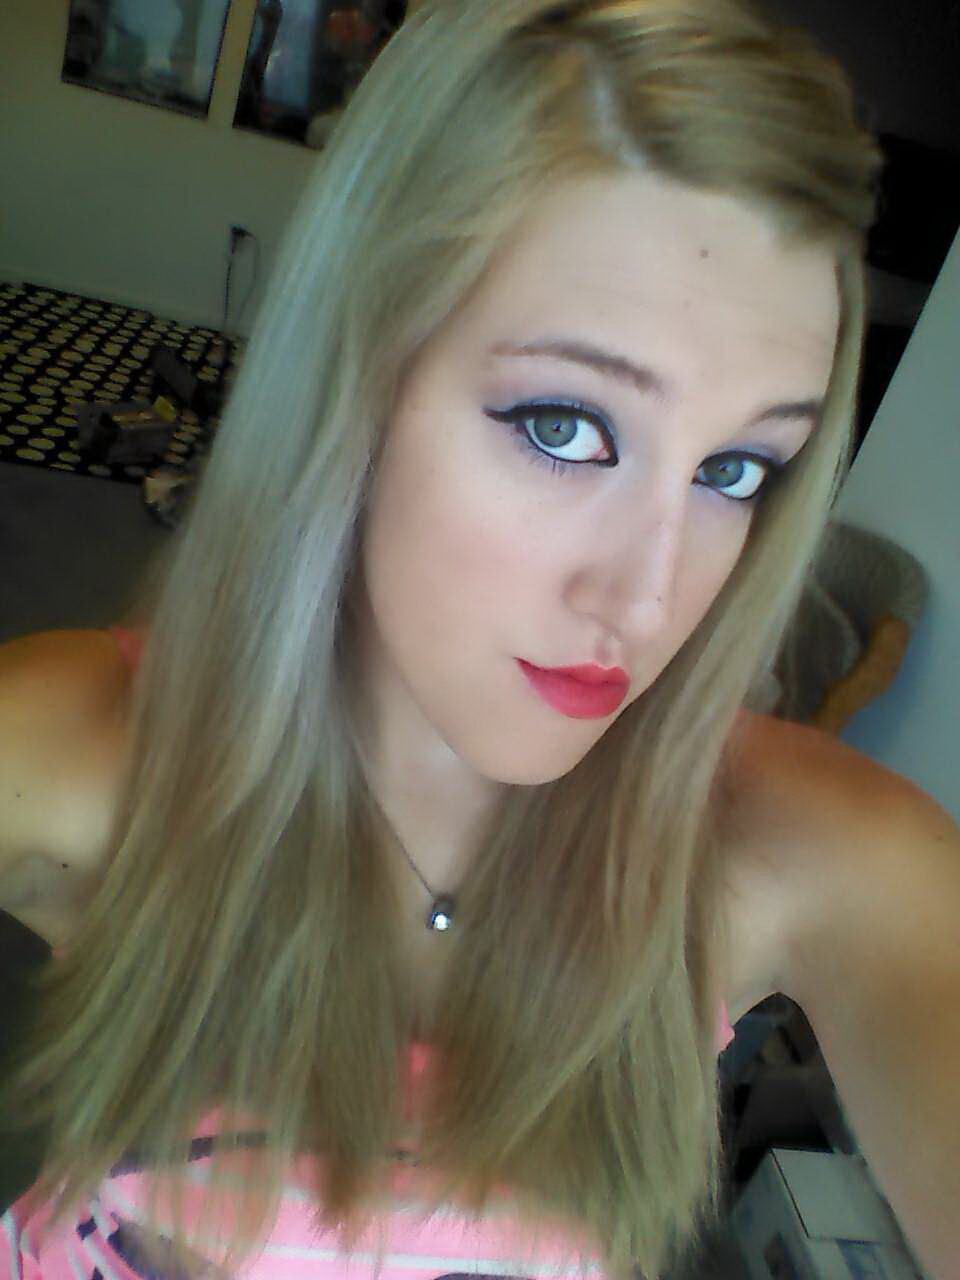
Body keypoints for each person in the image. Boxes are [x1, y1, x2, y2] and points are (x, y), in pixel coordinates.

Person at [0, 0, 894, 1277]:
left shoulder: (791, 849)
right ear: (357, 376)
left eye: (736, 468)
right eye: (564, 426)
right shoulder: (77, 752)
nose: (649, 600)